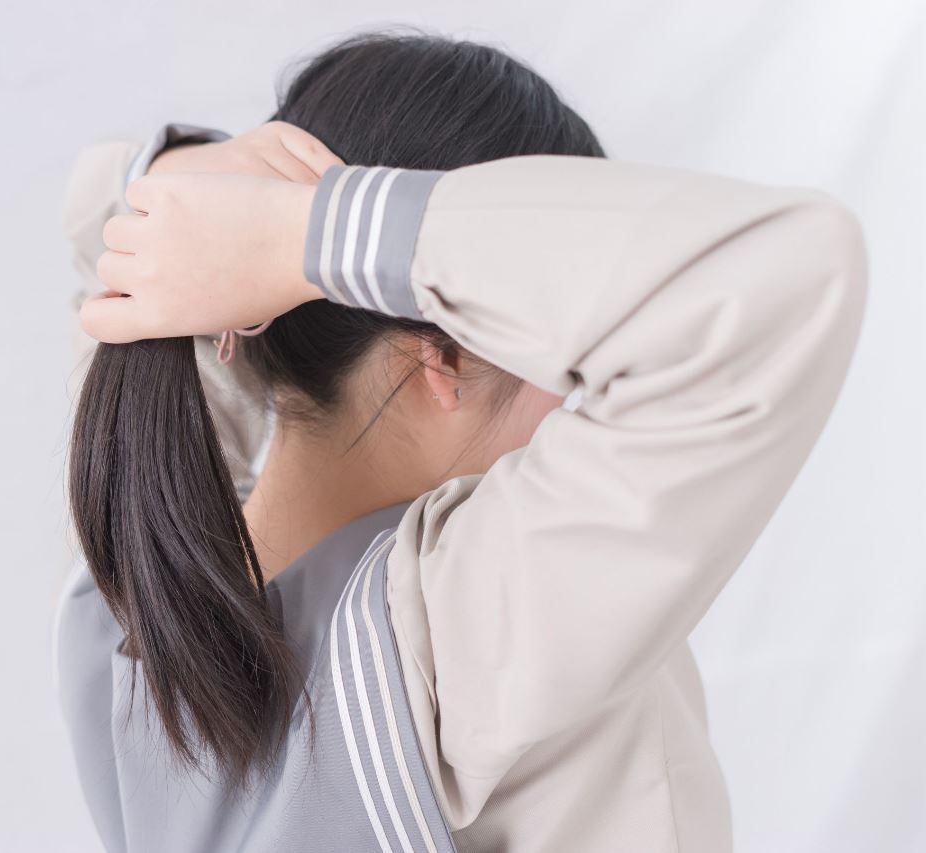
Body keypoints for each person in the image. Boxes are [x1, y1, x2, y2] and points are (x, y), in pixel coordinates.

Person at [54, 30, 867, 853]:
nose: (584, 388)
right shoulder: (464, 628)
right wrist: (303, 235)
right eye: (566, 352)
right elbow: (785, 271)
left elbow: (101, 219)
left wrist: (195, 197)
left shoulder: (127, 579)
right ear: (442, 357)